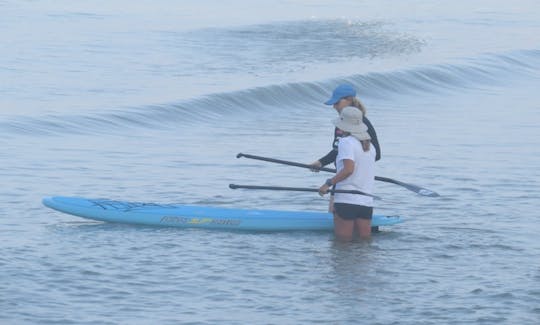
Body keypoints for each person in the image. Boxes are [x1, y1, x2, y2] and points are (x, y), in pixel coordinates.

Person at [318, 106, 376, 241]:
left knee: (342, 246)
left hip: (346, 200)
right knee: (364, 246)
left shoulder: (346, 142)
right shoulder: (370, 146)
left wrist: (328, 184)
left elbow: (348, 170)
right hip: (366, 202)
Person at [310, 83, 381, 170]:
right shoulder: (342, 123)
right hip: (346, 175)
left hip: (348, 176)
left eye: (337, 103)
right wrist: (321, 162)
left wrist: (349, 169)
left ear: (349, 100)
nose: (334, 107)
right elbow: (338, 150)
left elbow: (376, 154)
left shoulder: (363, 123)